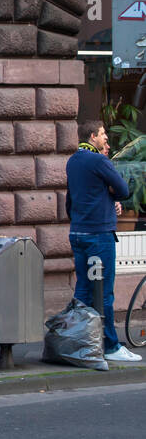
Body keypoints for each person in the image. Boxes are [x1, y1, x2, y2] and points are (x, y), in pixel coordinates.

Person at [68, 121, 139, 362]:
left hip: (78, 233)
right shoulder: (99, 160)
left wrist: (106, 199)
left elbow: (73, 200)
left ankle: (78, 341)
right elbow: (122, 189)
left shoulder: (73, 161)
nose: (105, 138)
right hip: (99, 234)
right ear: (92, 136)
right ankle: (111, 346)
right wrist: (112, 196)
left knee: (83, 290)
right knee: (105, 293)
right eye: (102, 134)